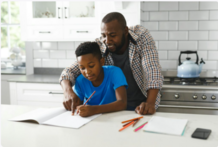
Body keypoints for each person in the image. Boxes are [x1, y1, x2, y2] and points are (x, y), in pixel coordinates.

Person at [60, 12, 164, 115]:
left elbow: (152, 70)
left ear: (125, 31)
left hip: (142, 105)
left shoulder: (141, 35)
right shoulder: (100, 45)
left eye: (112, 35)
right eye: (103, 35)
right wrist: (67, 91)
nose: (107, 40)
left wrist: (149, 103)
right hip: (113, 109)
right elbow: (70, 70)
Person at [67, 41, 128, 117]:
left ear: (102, 62)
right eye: (82, 68)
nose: (87, 72)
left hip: (113, 119)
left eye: (91, 66)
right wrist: (76, 107)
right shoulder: (80, 81)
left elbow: (122, 103)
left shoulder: (114, 72)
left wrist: (94, 110)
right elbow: (77, 105)